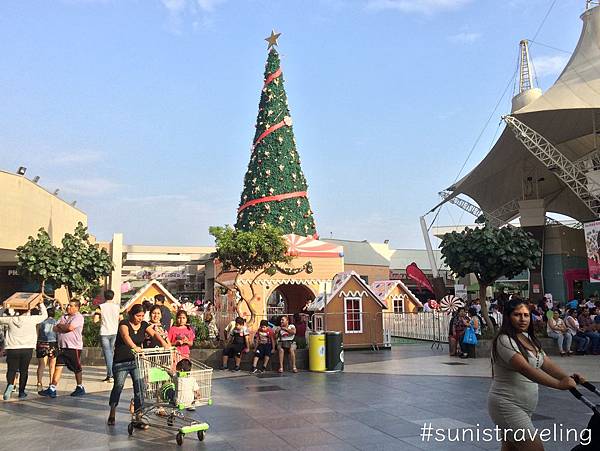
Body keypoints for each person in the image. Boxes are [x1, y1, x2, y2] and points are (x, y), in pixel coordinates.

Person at [488, 298, 582, 450]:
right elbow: (526, 369)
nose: (522, 319)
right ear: (508, 317)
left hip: (524, 407)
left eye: (526, 315)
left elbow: (546, 363)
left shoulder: (528, 338)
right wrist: (558, 384)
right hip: (506, 405)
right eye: (517, 315)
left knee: (510, 448)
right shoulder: (504, 340)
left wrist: (567, 377)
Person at [107, 304, 170, 427]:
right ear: (131, 314)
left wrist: (163, 342)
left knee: (139, 388)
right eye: (138, 316)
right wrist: (134, 347)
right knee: (118, 386)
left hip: (136, 361)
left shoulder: (144, 324)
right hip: (121, 362)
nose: (140, 318)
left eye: (142, 316)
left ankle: (138, 416)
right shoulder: (124, 324)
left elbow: (154, 334)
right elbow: (126, 337)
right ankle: (112, 411)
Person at [0, 303, 47, 400]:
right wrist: (41, 304)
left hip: (12, 347)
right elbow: (44, 315)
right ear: (28, 310)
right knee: (24, 370)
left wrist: (4, 308)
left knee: (11, 369)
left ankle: (10, 384)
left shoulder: (11, 319)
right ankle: (22, 392)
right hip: (27, 348)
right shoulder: (32, 319)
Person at [39, 300, 85, 398]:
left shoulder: (78, 317)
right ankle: (52, 388)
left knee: (76, 367)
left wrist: (62, 326)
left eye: (71, 306)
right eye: (68, 305)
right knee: (58, 366)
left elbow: (70, 328)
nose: (68, 307)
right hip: (62, 346)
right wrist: (62, 326)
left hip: (73, 347)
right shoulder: (64, 316)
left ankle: (80, 386)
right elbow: (55, 328)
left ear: (77, 308)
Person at [93, 289, 121, 383]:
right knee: (111, 353)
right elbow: (121, 319)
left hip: (104, 332)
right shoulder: (117, 307)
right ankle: (112, 374)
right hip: (115, 332)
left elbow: (95, 320)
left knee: (108, 354)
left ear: (104, 296)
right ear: (113, 296)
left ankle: (111, 375)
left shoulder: (100, 307)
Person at [36, 305, 58, 391]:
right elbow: (58, 334)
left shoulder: (40, 322)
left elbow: (36, 333)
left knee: (41, 365)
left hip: (41, 343)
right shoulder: (56, 322)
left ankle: (39, 382)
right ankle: (51, 384)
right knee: (52, 365)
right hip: (52, 343)